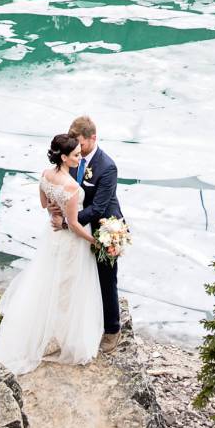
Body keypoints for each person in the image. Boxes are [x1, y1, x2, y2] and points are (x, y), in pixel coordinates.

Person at [0, 133, 103, 374]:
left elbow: (44, 204)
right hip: (71, 242)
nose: (79, 157)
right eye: (75, 155)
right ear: (63, 157)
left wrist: (54, 207)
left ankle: (47, 333)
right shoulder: (71, 187)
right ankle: (60, 338)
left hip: (52, 239)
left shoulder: (45, 175)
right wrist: (95, 241)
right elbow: (72, 224)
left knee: (50, 283)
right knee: (67, 288)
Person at [67, 115, 124, 354]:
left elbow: (99, 207)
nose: (76, 146)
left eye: (79, 141)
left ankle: (112, 330)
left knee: (105, 277)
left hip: (105, 226)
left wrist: (68, 221)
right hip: (79, 223)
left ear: (93, 138)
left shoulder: (107, 166)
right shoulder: (72, 158)